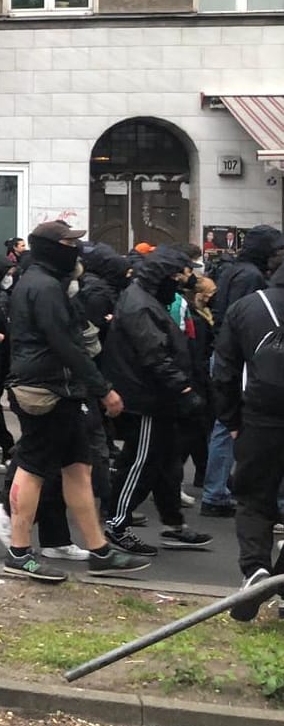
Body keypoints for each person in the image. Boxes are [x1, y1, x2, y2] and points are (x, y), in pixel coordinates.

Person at [2, 221, 150, 582]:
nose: (76, 249)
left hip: (59, 390)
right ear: (51, 248)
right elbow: (66, 344)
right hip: (46, 390)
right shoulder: (45, 287)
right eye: (69, 242)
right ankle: (19, 552)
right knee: (35, 467)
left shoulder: (40, 282)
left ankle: (99, 550)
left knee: (78, 468)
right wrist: (102, 389)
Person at [100, 245, 213, 554]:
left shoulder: (145, 299)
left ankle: (172, 523)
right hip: (148, 397)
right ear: (160, 276)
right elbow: (155, 355)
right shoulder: (141, 305)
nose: (178, 284)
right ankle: (116, 524)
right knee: (141, 462)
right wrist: (185, 390)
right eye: (175, 277)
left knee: (165, 462)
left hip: (156, 395)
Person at [211, 260, 284, 621]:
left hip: (261, 416)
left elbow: (223, 369)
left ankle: (255, 568)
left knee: (254, 497)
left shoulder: (248, 307)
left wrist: (231, 420)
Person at [202, 225, 284, 518]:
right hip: (242, 358)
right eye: (276, 251)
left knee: (224, 425)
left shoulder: (234, 270)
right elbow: (250, 321)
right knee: (231, 425)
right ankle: (219, 493)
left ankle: (216, 490)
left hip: (226, 353)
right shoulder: (251, 277)